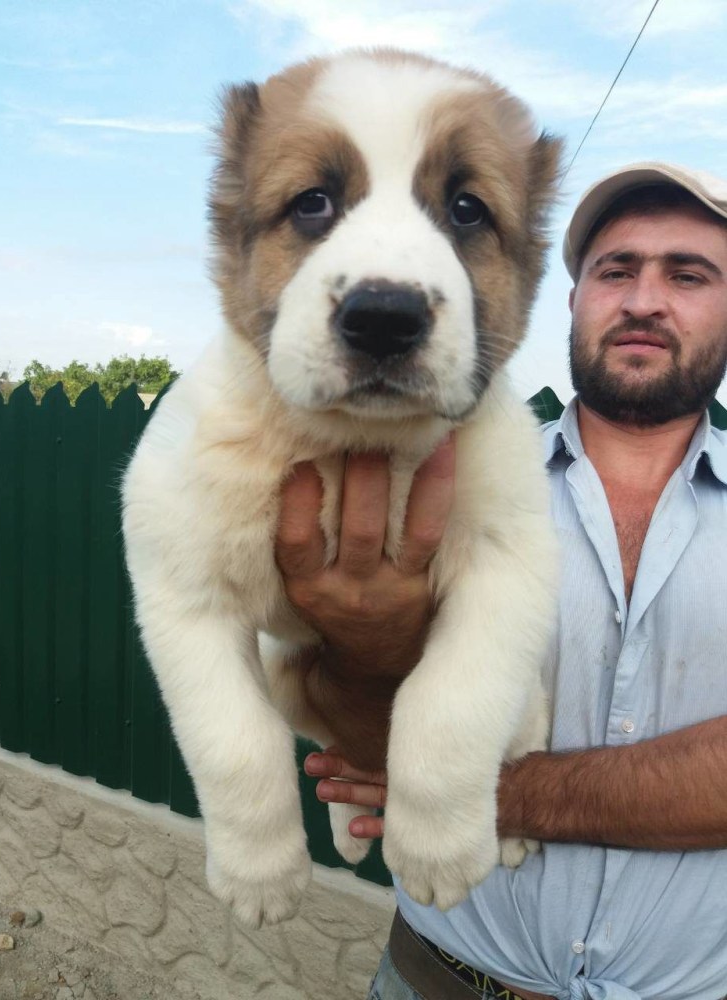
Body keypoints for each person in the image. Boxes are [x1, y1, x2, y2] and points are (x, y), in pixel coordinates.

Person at [275, 162, 727, 1000]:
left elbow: (424, 772)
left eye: (688, 275)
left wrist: (496, 791)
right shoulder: (439, 485)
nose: (644, 301)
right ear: (573, 299)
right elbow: (367, 746)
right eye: (616, 271)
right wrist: (365, 655)